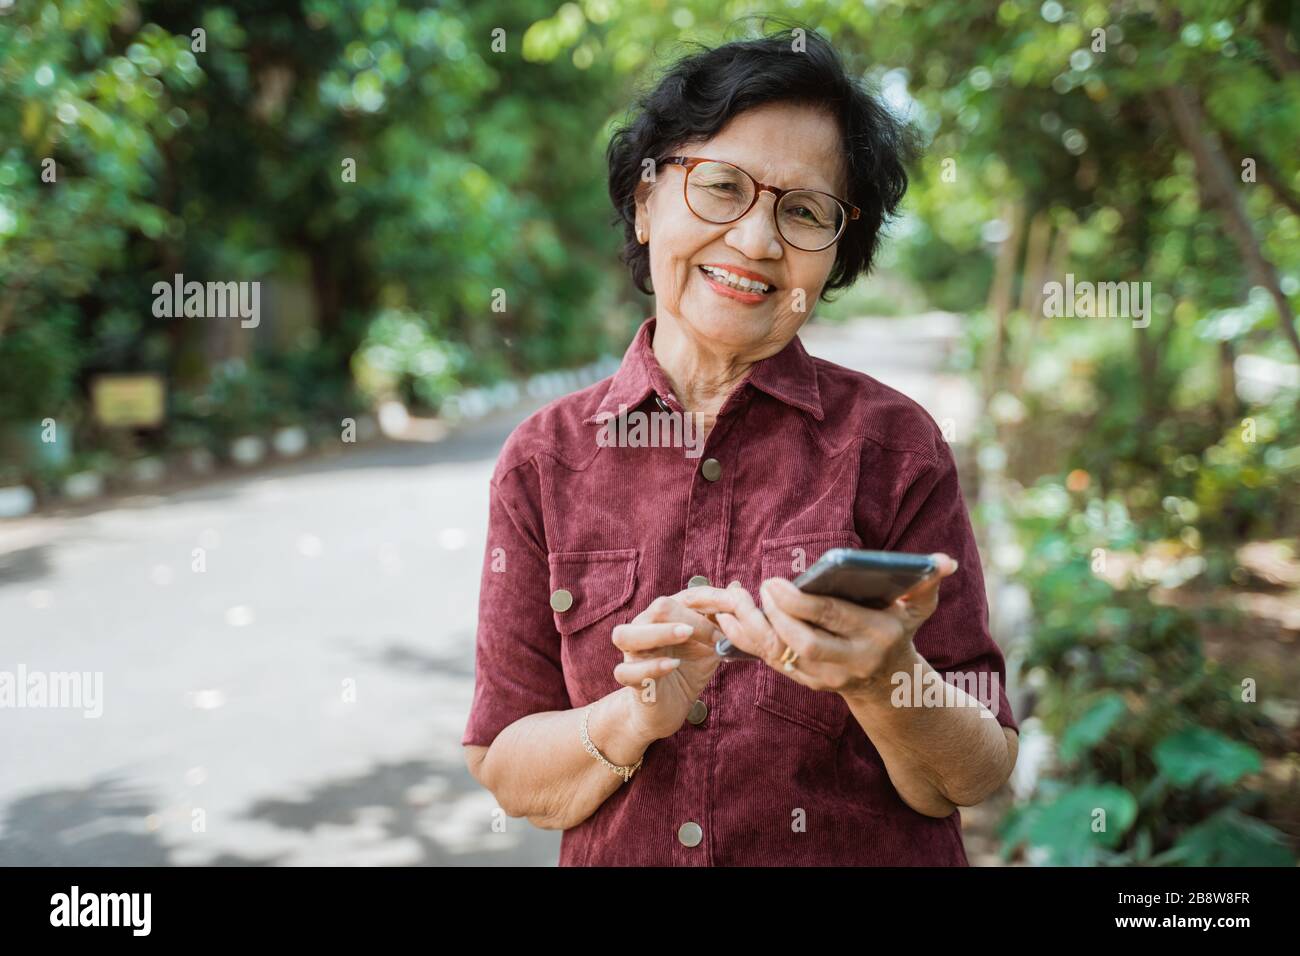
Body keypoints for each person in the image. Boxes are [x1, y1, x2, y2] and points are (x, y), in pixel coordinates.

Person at [462, 26, 1018, 865]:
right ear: (646, 203)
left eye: (802, 212)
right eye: (721, 187)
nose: (757, 243)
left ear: (835, 257)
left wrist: (882, 680)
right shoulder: (544, 460)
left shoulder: (897, 445)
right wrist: (634, 714)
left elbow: (976, 773)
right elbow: (505, 764)